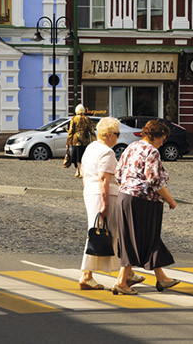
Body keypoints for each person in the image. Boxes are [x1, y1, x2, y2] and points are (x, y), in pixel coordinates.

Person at [112, 119, 179, 296]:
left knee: (141, 238)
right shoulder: (152, 151)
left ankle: (162, 278)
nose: (163, 142)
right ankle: (122, 282)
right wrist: (170, 200)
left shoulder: (132, 147)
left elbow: (118, 173)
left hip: (124, 197)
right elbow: (154, 180)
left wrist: (128, 186)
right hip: (143, 201)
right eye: (163, 138)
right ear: (157, 135)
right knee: (141, 238)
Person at [78, 117, 128, 290]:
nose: (118, 137)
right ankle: (87, 275)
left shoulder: (91, 147)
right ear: (109, 135)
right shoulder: (107, 152)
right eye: (117, 134)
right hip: (103, 195)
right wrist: (105, 204)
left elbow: (84, 174)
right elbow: (104, 179)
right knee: (102, 234)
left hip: (90, 192)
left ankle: (126, 272)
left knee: (98, 232)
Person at [65, 104, 94, 178]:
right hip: (86, 140)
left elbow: (71, 131)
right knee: (84, 156)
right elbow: (91, 130)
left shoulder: (74, 119)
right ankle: (79, 170)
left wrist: (68, 142)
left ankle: (80, 170)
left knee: (77, 157)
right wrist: (94, 140)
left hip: (76, 141)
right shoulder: (87, 119)